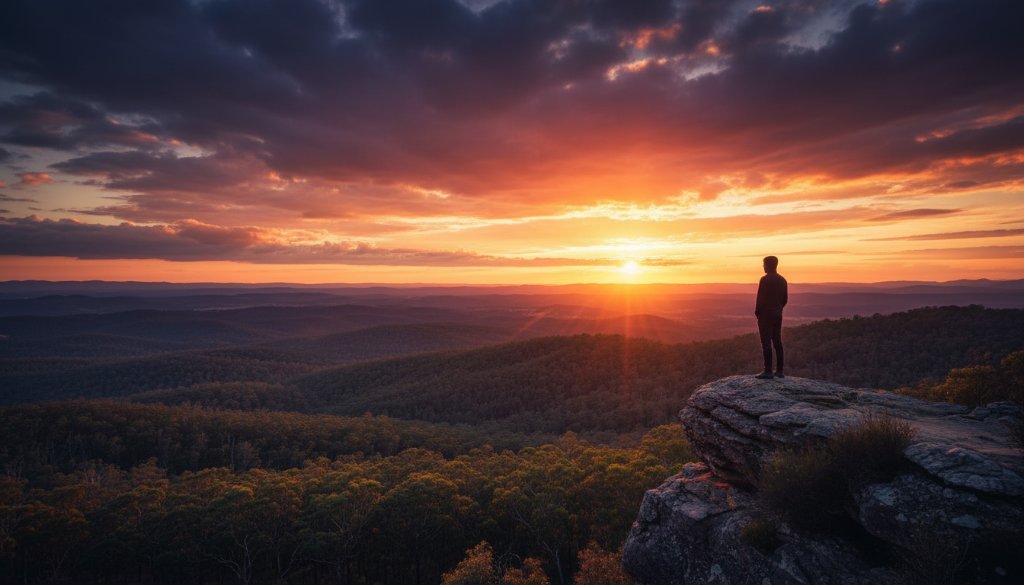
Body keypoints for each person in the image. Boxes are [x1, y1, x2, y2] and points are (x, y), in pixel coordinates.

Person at [754, 255, 787, 379]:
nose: (763, 266)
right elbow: (785, 299)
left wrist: (758, 312)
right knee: (777, 342)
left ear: (768, 265)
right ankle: (779, 371)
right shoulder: (783, 280)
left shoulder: (765, 280)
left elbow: (760, 298)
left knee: (766, 342)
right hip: (778, 314)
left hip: (765, 315)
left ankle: (768, 371)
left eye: (764, 264)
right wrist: (778, 308)